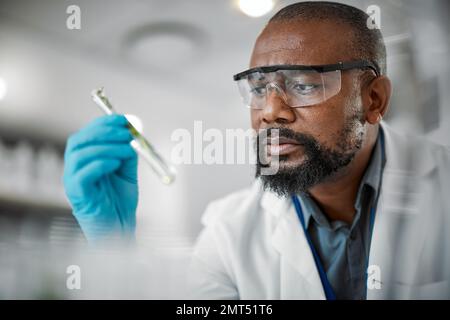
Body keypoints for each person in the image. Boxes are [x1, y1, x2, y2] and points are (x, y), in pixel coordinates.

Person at [63, 2, 450, 299]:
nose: (270, 112)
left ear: (374, 99)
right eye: (259, 88)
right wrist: (115, 245)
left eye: (303, 85)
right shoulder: (228, 233)